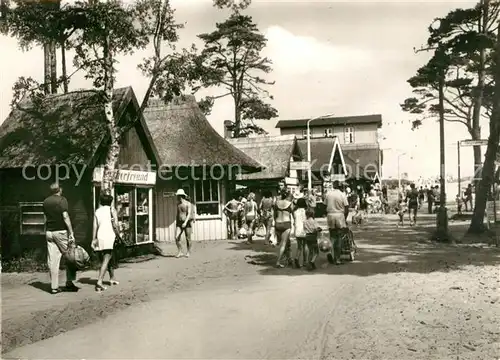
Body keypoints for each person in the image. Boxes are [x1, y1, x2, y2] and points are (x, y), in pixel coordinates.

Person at [43, 183, 79, 294]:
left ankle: (54, 287)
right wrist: (71, 232)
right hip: (61, 232)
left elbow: (45, 218)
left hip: (49, 232)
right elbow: (65, 216)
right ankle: (69, 282)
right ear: (60, 190)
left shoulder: (46, 201)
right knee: (70, 256)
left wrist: (46, 230)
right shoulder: (62, 200)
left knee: (53, 260)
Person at [92, 193, 119, 292]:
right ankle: (99, 282)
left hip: (100, 236)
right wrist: (119, 234)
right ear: (110, 202)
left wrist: (93, 239)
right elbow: (116, 225)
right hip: (109, 236)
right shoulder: (112, 210)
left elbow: (95, 226)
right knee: (106, 258)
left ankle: (112, 278)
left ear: (101, 202)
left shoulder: (97, 211)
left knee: (108, 257)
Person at [324, 181, 349, 265]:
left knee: (332, 236)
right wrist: (344, 218)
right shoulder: (342, 194)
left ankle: (330, 252)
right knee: (339, 237)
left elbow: (325, 205)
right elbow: (346, 207)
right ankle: (337, 259)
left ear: (334, 186)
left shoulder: (328, 194)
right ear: (340, 186)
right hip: (339, 215)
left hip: (330, 215)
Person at [274, 181, 294, 268]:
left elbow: (274, 214)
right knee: (284, 243)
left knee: (282, 243)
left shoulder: (276, 202)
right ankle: (278, 261)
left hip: (278, 223)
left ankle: (288, 258)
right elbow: (293, 213)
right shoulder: (290, 203)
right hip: (286, 223)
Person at [175, 189, 193, 258]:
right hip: (179, 222)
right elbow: (178, 214)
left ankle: (188, 252)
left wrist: (185, 222)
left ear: (181, 196)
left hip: (187, 222)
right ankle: (180, 251)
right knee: (176, 237)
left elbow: (188, 214)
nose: (177, 197)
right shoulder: (178, 203)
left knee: (188, 238)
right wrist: (177, 222)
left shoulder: (188, 203)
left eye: (178, 196)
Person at [293, 197, 307, 268]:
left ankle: (296, 258)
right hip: (303, 230)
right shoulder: (305, 211)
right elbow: (305, 222)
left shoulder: (295, 212)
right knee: (305, 246)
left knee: (299, 247)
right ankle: (305, 262)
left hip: (297, 230)